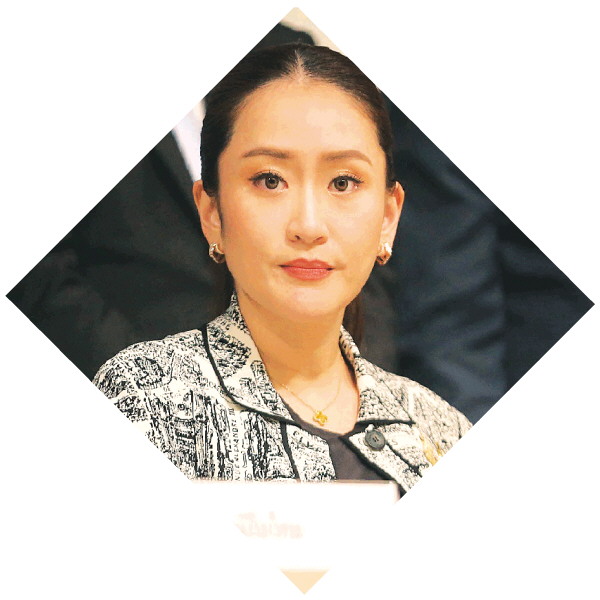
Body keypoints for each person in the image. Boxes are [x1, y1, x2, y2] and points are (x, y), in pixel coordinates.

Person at [92, 43, 472, 492]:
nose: (308, 226)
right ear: (211, 211)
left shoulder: (442, 429)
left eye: (343, 182)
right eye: (269, 180)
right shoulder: (146, 399)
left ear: (388, 216)